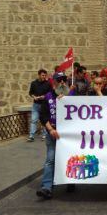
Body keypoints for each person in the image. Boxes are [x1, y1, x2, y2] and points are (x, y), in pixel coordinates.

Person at [36, 72, 70, 200]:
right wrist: (50, 129)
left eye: (64, 80)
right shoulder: (48, 97)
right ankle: (46, 187)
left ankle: (70, 182)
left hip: (70, 135)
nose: (62, 82)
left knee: (69, 158)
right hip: (53, 132)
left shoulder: (72, 96)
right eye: (59, 80)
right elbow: (43, 115)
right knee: (51, 159)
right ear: (53, 82)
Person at [28, 69, 51, 142]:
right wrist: (34, 97)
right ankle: (31, 136)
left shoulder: (47, 84)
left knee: (44, 120)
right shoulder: (34, 83)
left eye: (45, 75)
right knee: (33, 120)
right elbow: (30, 93)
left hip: (44, 105)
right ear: (39, 75)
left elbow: (49, 93)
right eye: (42, 75)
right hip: (36, 105)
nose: (44, 77)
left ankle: (44, 135)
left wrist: (44, 97)